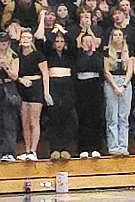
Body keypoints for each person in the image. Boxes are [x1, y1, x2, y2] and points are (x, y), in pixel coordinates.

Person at [15, 22, 48, 159]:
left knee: (34, 120)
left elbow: (45, 73)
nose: (26, 40)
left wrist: (46, 92)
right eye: (23, 38)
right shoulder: (17, 55)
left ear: (32, 40)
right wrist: (21, 80)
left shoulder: (38, 55)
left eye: (28, 38)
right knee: (25, 121)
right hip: (22, 86)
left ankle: (34, 150)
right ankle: (27, 149)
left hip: (35, 87)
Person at [43, 28, 77, 157]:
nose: (59, 43)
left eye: (62, 41)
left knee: (68, 118)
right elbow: (45, 45)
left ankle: (66, 149)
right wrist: (53, 32)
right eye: (57, 41)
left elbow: (73, 44)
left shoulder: (69, 55)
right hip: (53, 85)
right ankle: (54, 149)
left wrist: (64, 31)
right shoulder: (49, 54)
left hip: (67, 86)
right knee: (54, 117)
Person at [74, 30, 105, 157]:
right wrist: (86, 53)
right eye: (85, 41)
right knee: (83, 117)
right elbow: (80, 66)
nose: (88, 43)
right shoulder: (78, 55)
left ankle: (96, 147)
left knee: (96, 117)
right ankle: (83, 148)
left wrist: (93, 52)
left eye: (90, 41)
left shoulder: (98, 55)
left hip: (95, 86)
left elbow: (98, 67)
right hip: (82, 87)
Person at [0, 28, 19, 159]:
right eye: (1, 42)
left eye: (5, 42)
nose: (3, 44)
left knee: (9, 121)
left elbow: (15, 76)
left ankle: (9, 152)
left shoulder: (13, 56)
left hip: (8, 86)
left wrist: (6, 67)